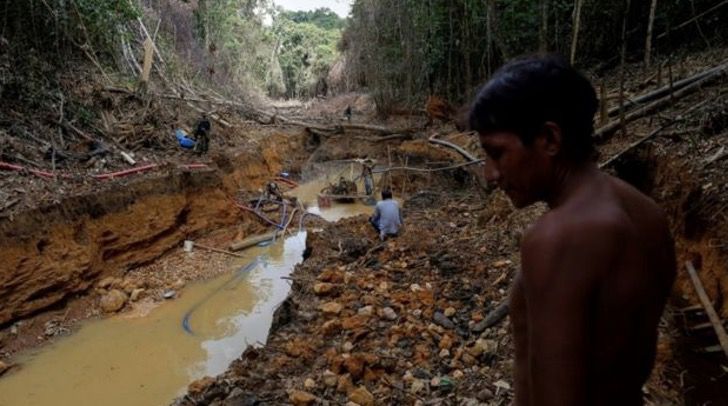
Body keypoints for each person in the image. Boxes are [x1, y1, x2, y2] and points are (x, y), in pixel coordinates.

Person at [468, 55, 675, 406]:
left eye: (498, 153)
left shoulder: (558, 237)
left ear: (549, 138)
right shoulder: (646, 213)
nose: (490, 175)